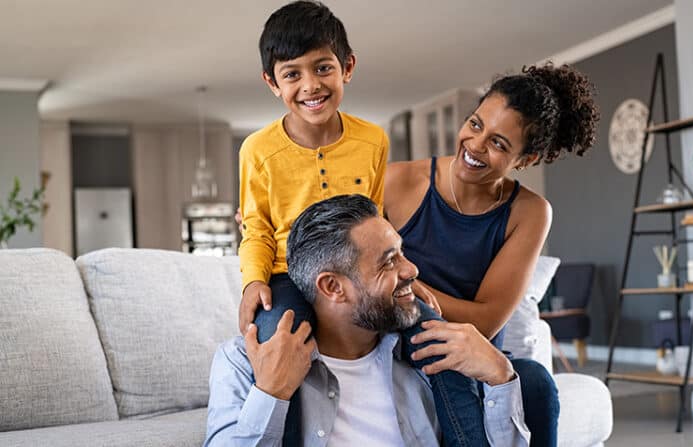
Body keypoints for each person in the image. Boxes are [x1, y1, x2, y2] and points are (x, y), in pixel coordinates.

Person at [238, 2, 491, 445]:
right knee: (282, 350)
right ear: (272, 83)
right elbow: (256, 228)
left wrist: (400, 277)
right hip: (286, 274)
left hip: (357, 272)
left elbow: (375, 223)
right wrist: (252, 281)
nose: (311, 85)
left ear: (347, 67)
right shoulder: (257, 151)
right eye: (292, 74)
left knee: (436, 335)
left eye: (322, 68)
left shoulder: (372, 139)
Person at [384, 63, 600, 446]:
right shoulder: (396, 181)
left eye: (499, 144)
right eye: (476, 124)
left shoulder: (529, 212)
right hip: (403, 342)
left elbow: (486, 320)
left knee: (535, 382)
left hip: (478, 355)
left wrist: (413, 287)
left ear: (526, 160)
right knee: (440, 350)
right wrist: (414, 304)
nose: (475, 145)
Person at [206, 194, 530, 446]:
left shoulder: (431, 356)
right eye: (389, 262)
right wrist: (271, 393)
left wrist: (501, 377)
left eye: (402, 253)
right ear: (333, 287)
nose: (412, 271)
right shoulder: (242, 363)